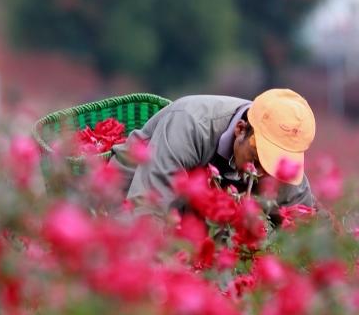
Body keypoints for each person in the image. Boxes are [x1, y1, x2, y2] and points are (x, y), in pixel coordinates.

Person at [110, 89, 316, 218]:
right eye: (257, 160)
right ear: (240, 130)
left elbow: (307, 229)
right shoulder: (190, 124)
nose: (260, 173)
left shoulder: (280, 171)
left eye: (272, 167)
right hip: (124, 201)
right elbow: (148, 207)